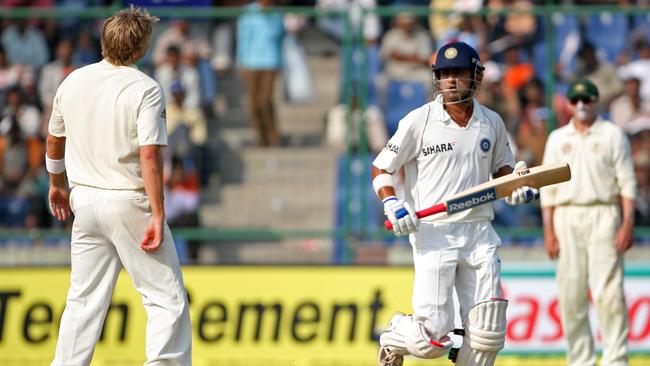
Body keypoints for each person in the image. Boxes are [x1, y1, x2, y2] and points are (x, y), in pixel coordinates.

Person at [371, 41, 539, 366]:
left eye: (457, 73)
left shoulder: (492, 122)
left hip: (479, 232)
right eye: (444, 74)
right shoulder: (419, 120)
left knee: (487, 336)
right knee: (431, 339)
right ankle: (396, 332)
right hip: (435, 233)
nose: (450, 80)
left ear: (476, 78)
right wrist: (392, 203)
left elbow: (503, 173)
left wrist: (517, 187)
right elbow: (382, 166)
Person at [45, 7, 192, 365]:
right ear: (141, 48)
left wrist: (56, 184)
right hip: (128, 201)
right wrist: (158, 214)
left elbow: (53, 140)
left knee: (83, 301)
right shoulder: (146, 89)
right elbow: (149, 157)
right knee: (165, 298)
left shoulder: (74, 80)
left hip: (85, 202)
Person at [541, 79, 637, 366]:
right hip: (566, 216)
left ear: (597, 102)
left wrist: (627, 223)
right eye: (576, 100)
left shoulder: (612, 135)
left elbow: (627, 183)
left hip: (604, 214)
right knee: (571, 294)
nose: (582, 105)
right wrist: (548, 231)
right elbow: (547, 189)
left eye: (587, 100)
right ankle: (580, 360)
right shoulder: (558, 138)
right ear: (568, 104)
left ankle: (615, 359)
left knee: (608, 293)